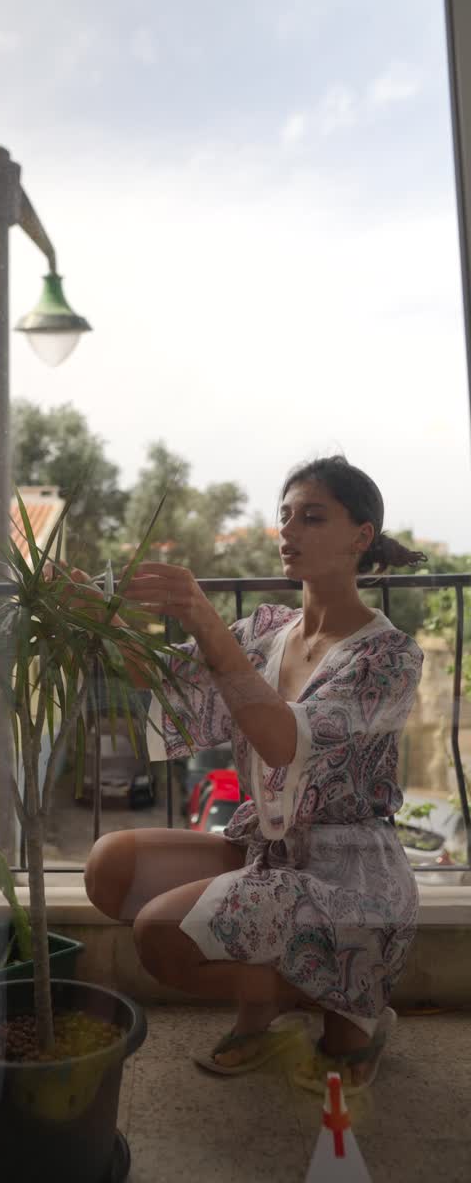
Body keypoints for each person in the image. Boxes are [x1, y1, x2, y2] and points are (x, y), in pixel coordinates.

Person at [79, 455, 428, 1094]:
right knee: (110, 865)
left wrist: (202, 614)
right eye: (284, 516)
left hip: (347, 872)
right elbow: (172, 681)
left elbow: (279, 740)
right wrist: (97, 618)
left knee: (161, 934)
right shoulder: (268, 630)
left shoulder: (390, 656)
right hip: (268, 847)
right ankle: (278, 1002)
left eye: (313, 516)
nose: (289, 530)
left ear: (362, 536)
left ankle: (354, 1007)